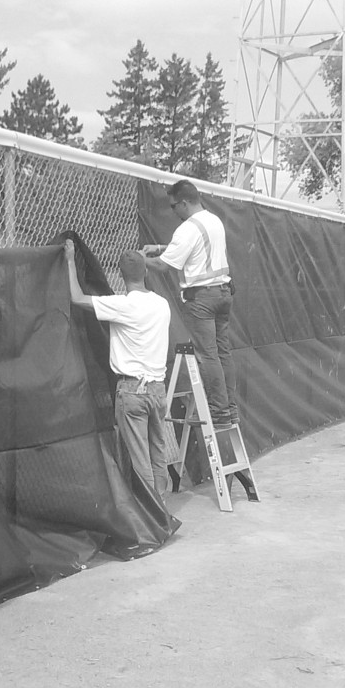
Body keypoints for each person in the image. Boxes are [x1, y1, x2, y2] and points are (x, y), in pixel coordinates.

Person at [63, 239, 171, 499]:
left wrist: (69, 260)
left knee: (138, 459)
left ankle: (150, 518)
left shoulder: (122, 305)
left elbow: (77, 298)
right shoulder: (162, 305)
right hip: (158, 391)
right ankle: (163, 509)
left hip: (132, 392)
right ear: (145, 272)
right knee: (158, 451)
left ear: (120, 276)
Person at [142, 179, 238, 430]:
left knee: (208, 357)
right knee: (223, 353)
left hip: (202, 298)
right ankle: (230, 409)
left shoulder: (187, 229)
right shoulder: (212, 220)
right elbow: (194, 248)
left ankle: (218, 414)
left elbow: (164, 266)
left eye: (174, 206)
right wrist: (162, 247)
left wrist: (140, 259)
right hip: (222, 293)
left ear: (184, 203)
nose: (174, 211)